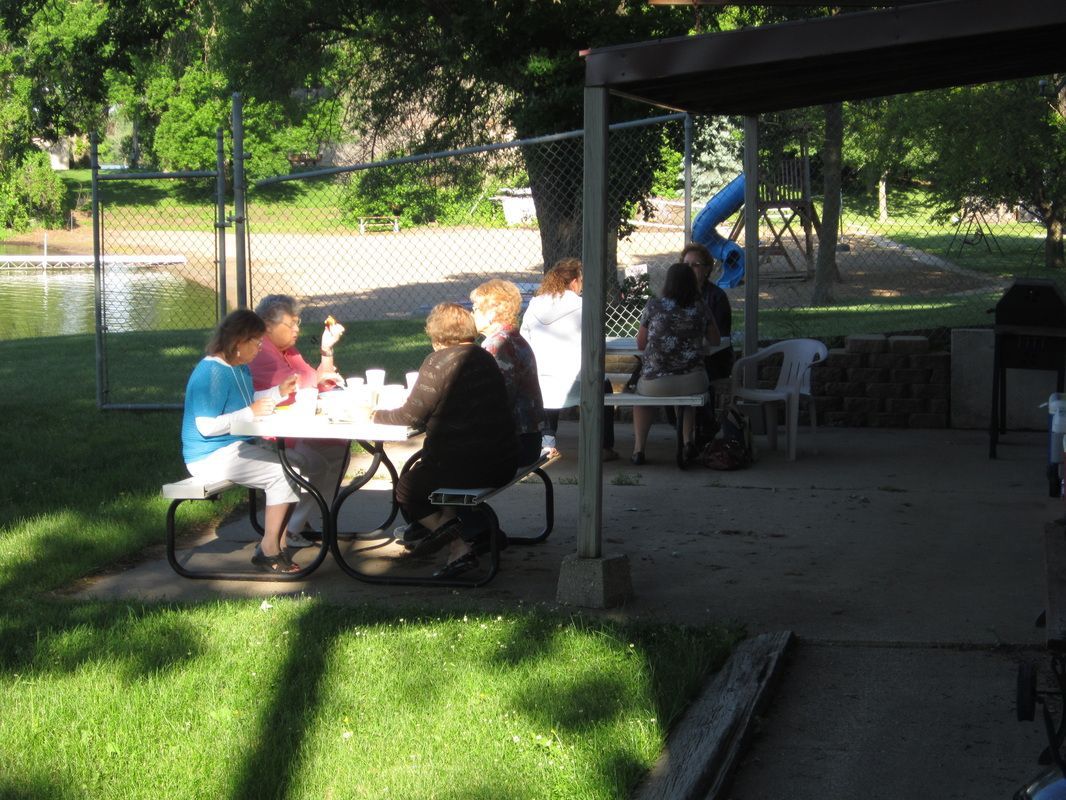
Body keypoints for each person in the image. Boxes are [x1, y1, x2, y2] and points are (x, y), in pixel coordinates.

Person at [373, 303, 519, 578]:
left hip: (465, 465)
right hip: (503, 460)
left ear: (437, 335)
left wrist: (374, 415)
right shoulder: (484, 357)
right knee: (435, 476)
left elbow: (410, 415)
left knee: (407, 488)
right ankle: (458, 535)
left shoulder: (438, 361)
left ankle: (458, 546)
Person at [181, 309, 302, 574]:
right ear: (239, 342)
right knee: (284, 472)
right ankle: (268, 550)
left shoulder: (238, 367)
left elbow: (249, 401)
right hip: (208, 457)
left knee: (295, 467)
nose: (260, 348)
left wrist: (278, 392)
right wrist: (250, 412)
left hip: (231, 449)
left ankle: (277, 542)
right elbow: (206, 426)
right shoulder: (211, 372)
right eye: (256, 342)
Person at [250, 295, 348, 547]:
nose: (297, 330)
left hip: (296, 429)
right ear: (267, 326)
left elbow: (315, 382)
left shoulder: (288, 351)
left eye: (298, 323)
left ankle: (308, 518)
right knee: (316, 462)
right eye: (290, 324)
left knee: (339, 449)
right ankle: (291, 527)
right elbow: (298, 386)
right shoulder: (261, 352)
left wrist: (326, 350)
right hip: (272, 436)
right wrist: (319, 379)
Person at [520, 258, 618, 461]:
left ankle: (547, 442)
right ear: (574, 282)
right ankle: (603, 446)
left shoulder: (535, 305)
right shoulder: (585, 306)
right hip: (579, 381)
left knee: (546, 382)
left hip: (542, 381)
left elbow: (524, 341)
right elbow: (597, 344)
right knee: (605, 386)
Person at [631, 262, 721, 466]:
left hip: (656, 383)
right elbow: (715, 340)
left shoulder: (653, 305)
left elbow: (641, 344)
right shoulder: (700, 307)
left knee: (641, 399)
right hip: (693, 380)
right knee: (687, 399)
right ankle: (688, 442)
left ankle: (638, 449)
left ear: (668, 282)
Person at [469, 279, 545, 465]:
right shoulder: (513, 338)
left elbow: (496, 400)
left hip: (513, 444)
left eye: (476, 308)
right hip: (527, 438)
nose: (472, 314)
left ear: (492, 312)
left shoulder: (497, 345)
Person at [681, 242, 734, 441]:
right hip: (683, 358)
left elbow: (719, 338)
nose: (690, 269)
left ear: (706, 269)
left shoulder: (716, 297)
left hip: (714, 359)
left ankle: (705, 428)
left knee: (696, 373)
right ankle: (684, 430)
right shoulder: (674, 297)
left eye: (695, 265)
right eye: (686, 265)